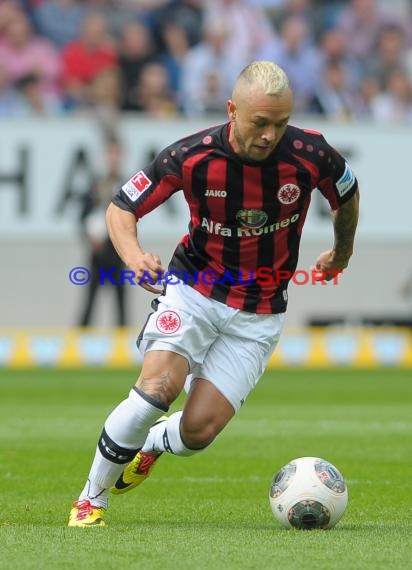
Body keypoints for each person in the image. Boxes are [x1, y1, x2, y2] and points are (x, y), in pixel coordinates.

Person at [68, 60, 360, 527]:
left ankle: (154, 444)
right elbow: (122, 208)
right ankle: (91, 498)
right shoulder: (191, 155)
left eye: (280, 124)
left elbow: (346, 195)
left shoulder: (312, 154)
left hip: (260, 312)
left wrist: (341, 253)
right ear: (232, 110)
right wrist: (135, 256)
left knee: (198, 432)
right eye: (259, 122)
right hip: (193, 290)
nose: (269, 135)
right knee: (156, 390)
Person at [78, 136, 128, 327]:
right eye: (110, 154)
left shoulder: (126, 185)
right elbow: (82, 215)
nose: (113, 159)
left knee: (121, 303)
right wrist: (89, 239)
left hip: (117, 253)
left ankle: (124, 345)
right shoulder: (96, 185)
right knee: (89, 302)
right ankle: (78, 344)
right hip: (97, 253)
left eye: (117, 155)